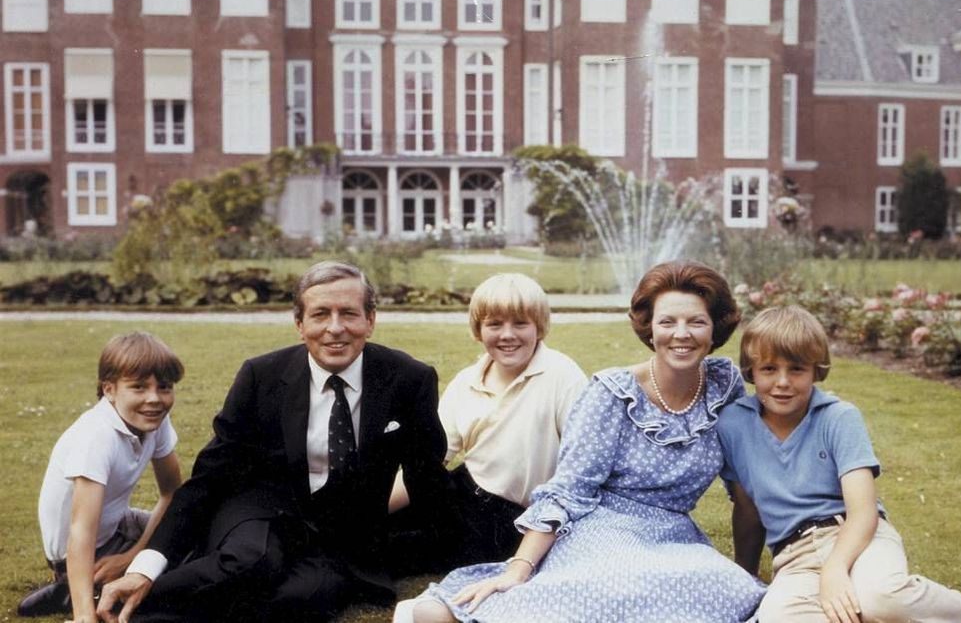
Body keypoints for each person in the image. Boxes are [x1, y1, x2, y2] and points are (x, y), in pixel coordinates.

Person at [401, 261, 765, 623]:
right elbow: (568, 489)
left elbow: (745, 488)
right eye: (667, 321)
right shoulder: (612, 393)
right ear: (650, 329)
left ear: (714, 328)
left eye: (696, 322)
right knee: (613, 590)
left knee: (727, 588)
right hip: (601, 527)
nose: (681, 334)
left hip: (674, 536)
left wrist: (746, 571)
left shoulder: (723, 387)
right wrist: (517, 570)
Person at [97, 261, 451, 623]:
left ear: (370, 320)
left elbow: (426, 475)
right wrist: (146, 566)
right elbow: (209, 477)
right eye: (320, 315)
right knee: (253, 562)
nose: (335, 328)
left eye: (348, 313)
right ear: (300, 325)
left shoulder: (409, 379)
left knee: (297, 599)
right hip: (260, 510)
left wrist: (469, 552)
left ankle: (135, 612)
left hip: (337, 539)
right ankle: (126, 594)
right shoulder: (261, 376)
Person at [716, 304, 961, 623]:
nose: (782, 382)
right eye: (768, 369)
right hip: (795, 556)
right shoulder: (735, 425)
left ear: (816, 371)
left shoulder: (838, 417)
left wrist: (834, 569)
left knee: (881, 599)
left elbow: (863, 511)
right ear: (750, 371)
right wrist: (746, 576)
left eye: (796, 369)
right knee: (782, 617)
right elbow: (748, 509)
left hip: (856, 535)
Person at [388, 273, 588, 575]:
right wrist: (374, 509)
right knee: (370, 526)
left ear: (539, 326)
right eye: (494, 324)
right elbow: (429, 462)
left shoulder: (562, 376)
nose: (507, 335)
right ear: (479, 330)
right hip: (461, 491)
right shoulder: (467, 381)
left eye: (520, 323)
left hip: (513, 520)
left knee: (400, 551)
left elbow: (582, 469)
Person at [18, 332, 184, 623]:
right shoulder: (96, 438)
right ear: (109, 390)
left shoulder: (154, 418)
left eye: (164, 387)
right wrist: (85, 617)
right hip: (86, 549)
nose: (154, 398)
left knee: (192, 528)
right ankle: (74, 590)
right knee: (180, 575)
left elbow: (172, 493)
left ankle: (74, 590)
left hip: (119, 525)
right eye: (139, 387)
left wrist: (134, 554)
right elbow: (81, 531)